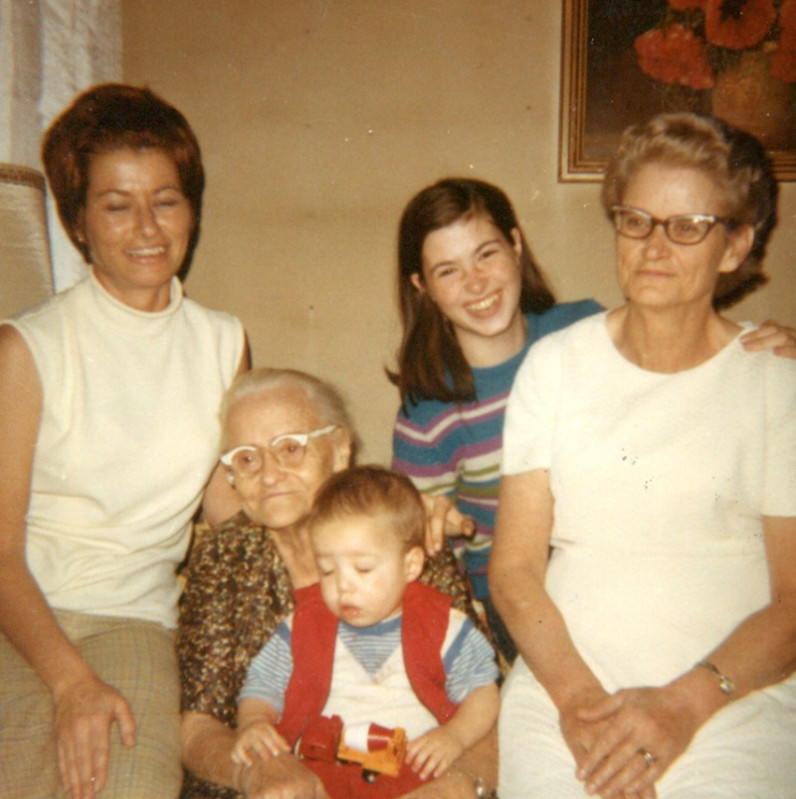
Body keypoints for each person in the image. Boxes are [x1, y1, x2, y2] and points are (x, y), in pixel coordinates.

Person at [490, 112, 796, 799]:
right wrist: (579, 704)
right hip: (568, 688)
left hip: (732, 695)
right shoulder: (554, 366)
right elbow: (513, 570)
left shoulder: (777, 381)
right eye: (636, 221)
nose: (654, 246)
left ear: (735, 245)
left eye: (687, 226)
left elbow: (794, 601)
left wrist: (683, 706)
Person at [389, 177, 796, 667]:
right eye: (448, 270)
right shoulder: (427, 414)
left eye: (487, 254)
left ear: (516, 246)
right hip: (515, 601)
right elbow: (420, 557)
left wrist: (771, 351)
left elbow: (676, 389)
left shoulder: (580, 332)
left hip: (623, 559)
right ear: (422, 287)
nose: (476, 283)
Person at [0, 84, 247, 799]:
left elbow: (233, 515)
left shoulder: (224, 343)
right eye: (116, 205)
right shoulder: (28, 348)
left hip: (133, 621)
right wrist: (71, 683)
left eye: (166, 200)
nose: (147, 228)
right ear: (78, 221)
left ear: (192, 209)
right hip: (18, 614)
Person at [178, 369, 498, 799]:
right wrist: (258, 771)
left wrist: (458, 785)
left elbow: (485, 702)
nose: (269, 475)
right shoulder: (222, 556)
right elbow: (197, 723)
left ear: (340, 449)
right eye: (247, 459)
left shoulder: (402, 536)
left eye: (290, 448)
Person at [231, 465, 500, 799]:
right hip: (319, 776)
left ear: (410, 565)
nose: (343, 586)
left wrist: (455, 736)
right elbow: (262, 686)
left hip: (414, 776)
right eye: (327, 570)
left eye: (363, 568)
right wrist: (254, 722)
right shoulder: (302, 625)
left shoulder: (444, 624)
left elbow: (483, 693)